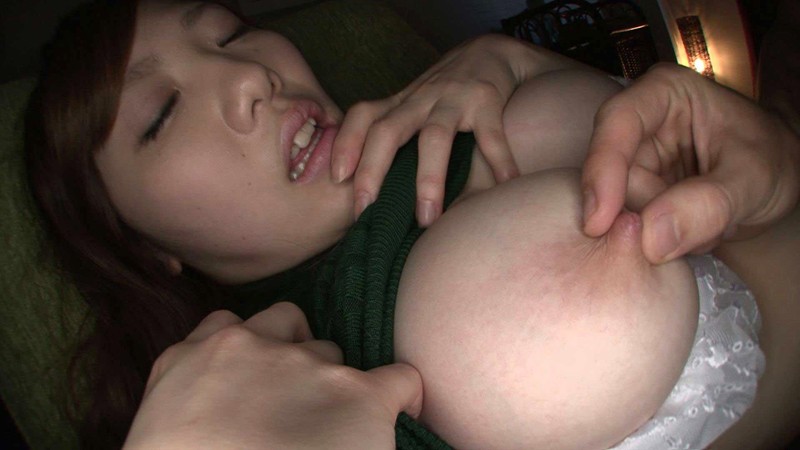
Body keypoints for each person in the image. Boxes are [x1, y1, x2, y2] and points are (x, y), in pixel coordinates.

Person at [24, 0, 799, 449]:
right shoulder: (254, 408)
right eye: (161, 113)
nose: (249, 76)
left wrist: (513, 61)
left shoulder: (458, 108)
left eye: (229, 32)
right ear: (141, 246)